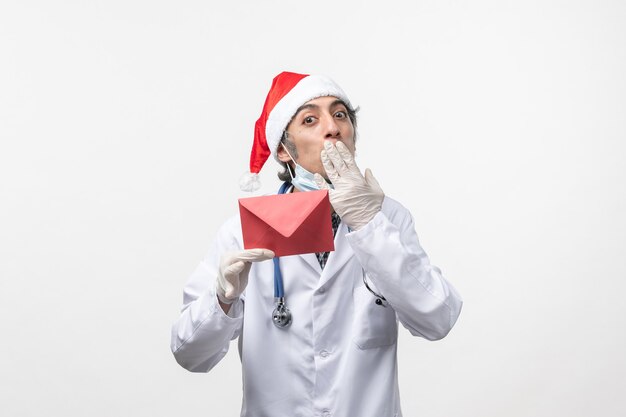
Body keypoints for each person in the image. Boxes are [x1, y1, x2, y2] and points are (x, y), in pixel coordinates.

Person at [170, 71, 463, 417]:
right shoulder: (243, 232)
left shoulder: (389, 218)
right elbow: (190, 355)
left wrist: (369, 226)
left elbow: (438, 318)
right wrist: (221, 300)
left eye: (340, 115)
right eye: (311, 119)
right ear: (282, 149)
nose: (333, 128)